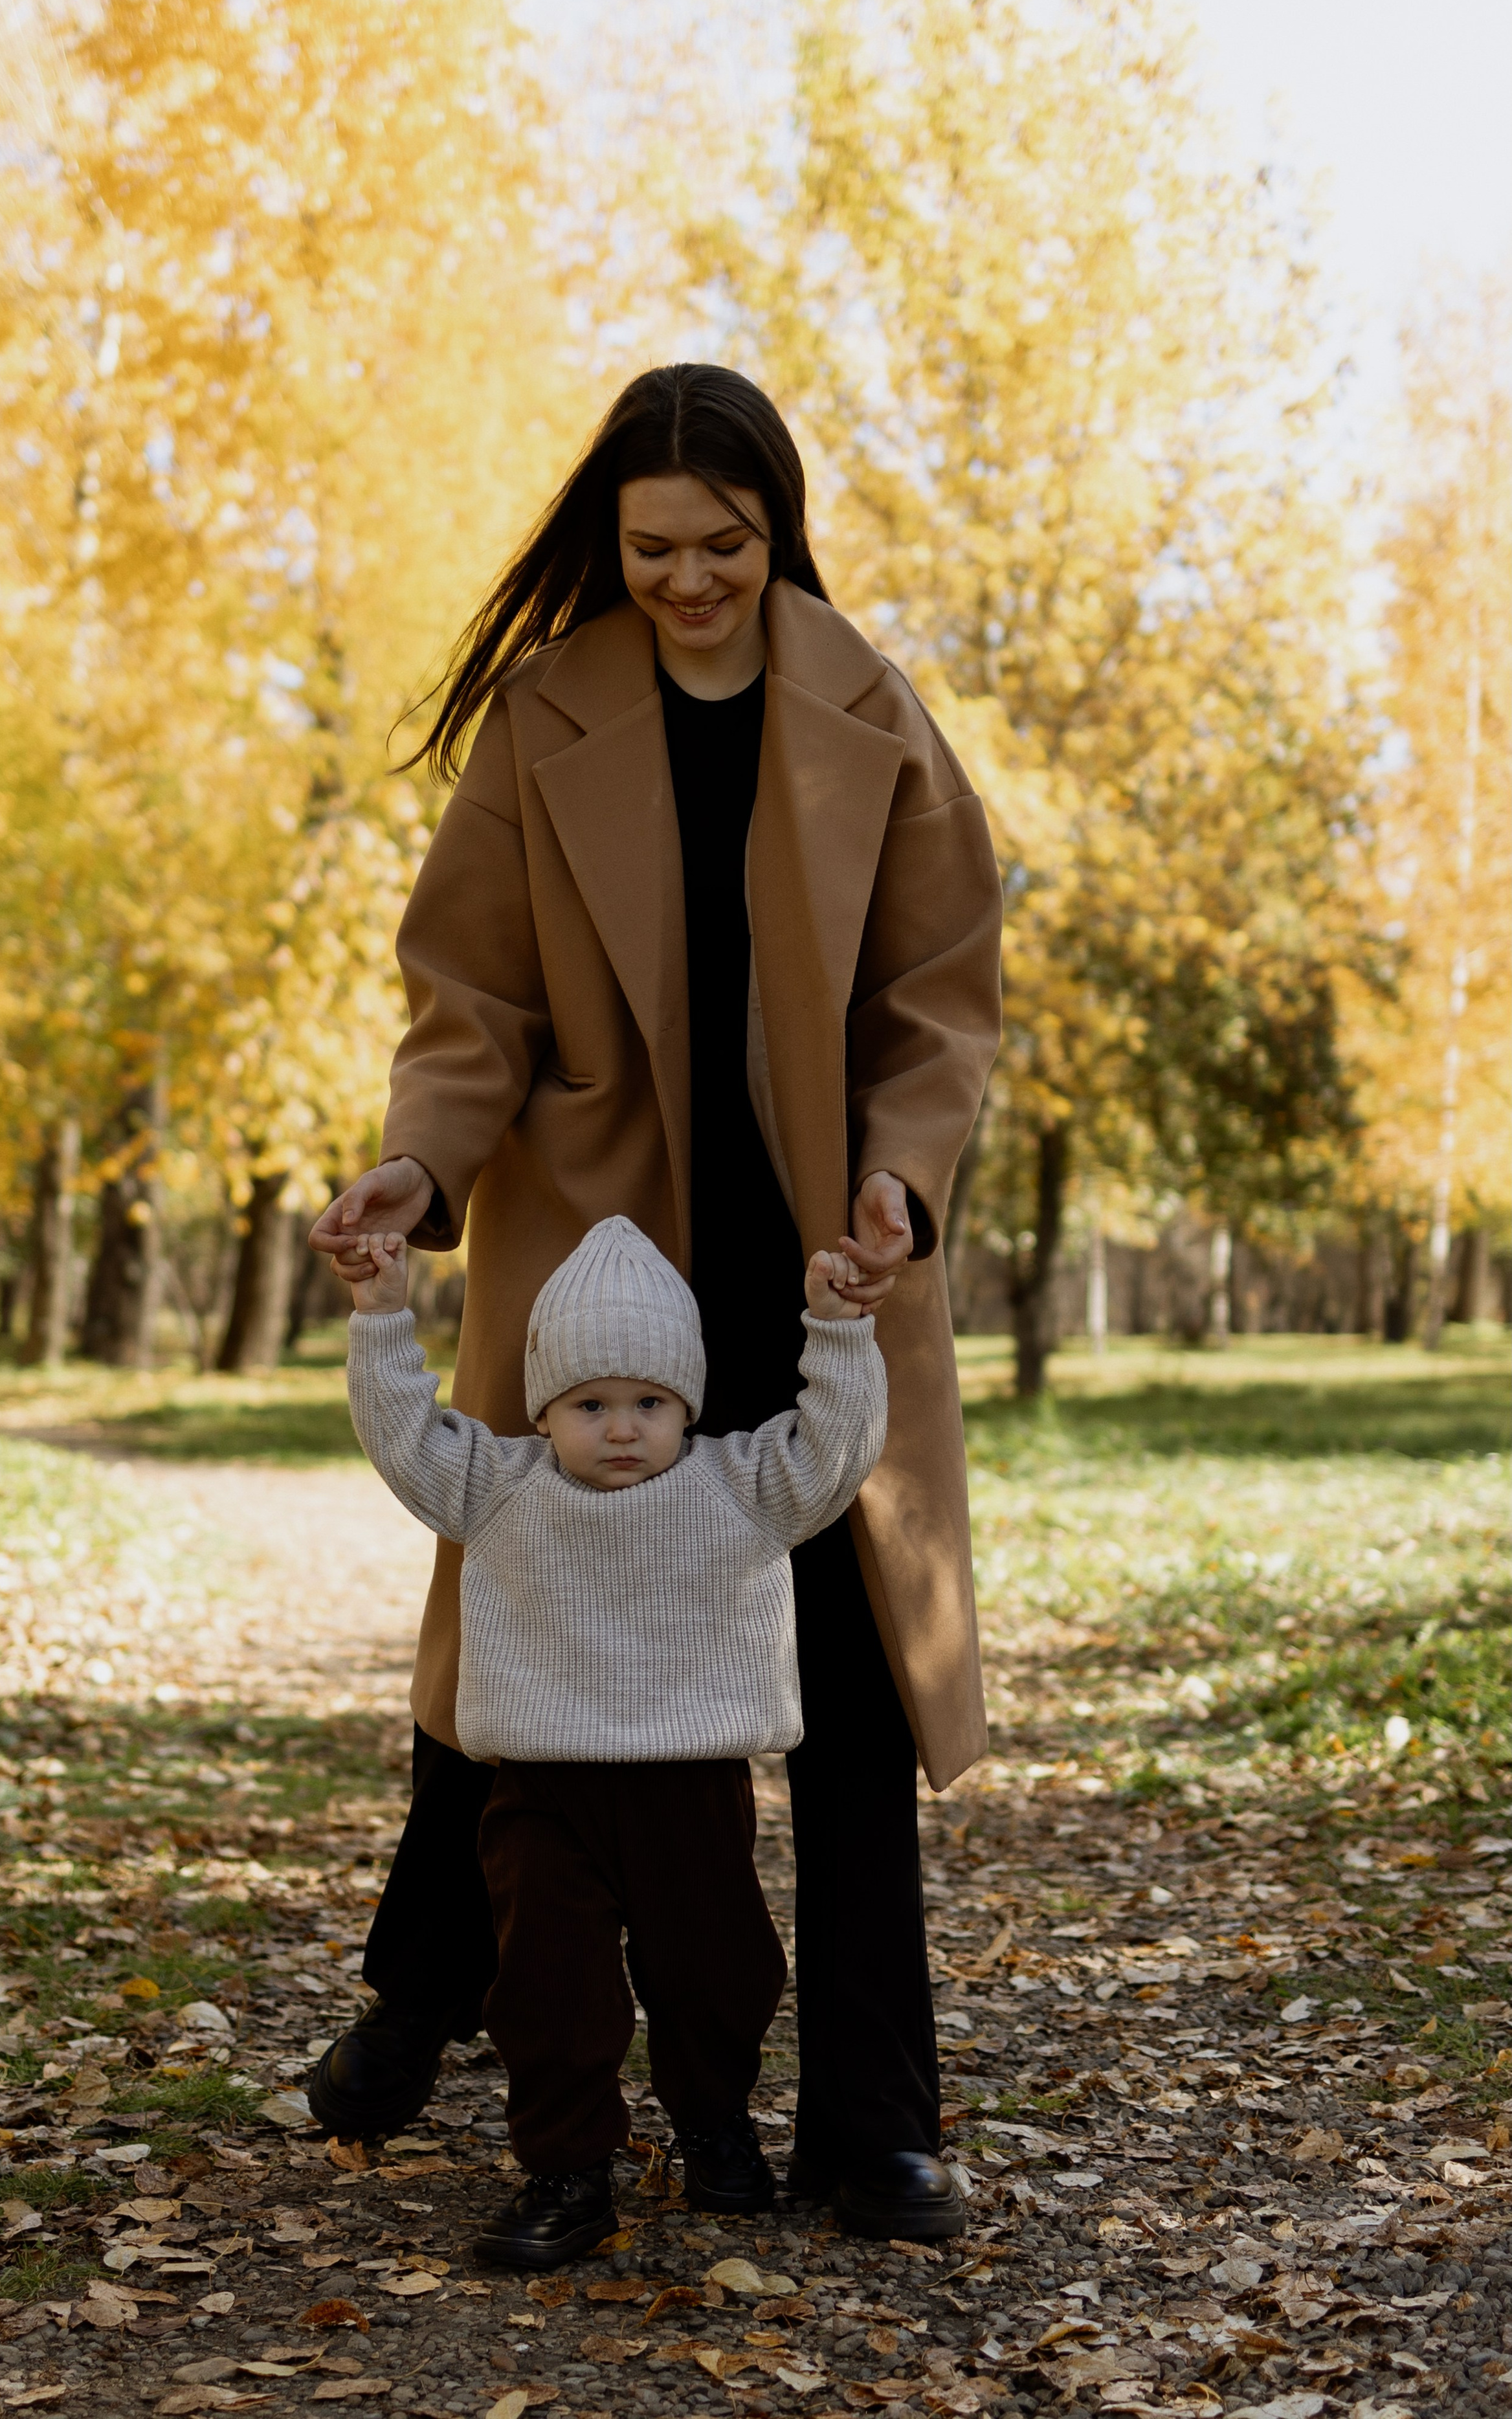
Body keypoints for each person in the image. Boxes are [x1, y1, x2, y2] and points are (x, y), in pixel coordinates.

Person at [307, 361, 1003, 2240]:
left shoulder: (871, 710)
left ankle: (882, 2120)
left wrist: (902, 1181)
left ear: (779, 527)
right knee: (533, 1661)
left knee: (847, 1690)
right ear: (604, 544)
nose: (688, 578)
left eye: (725, 543)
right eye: (650, 548)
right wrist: (419, 1170)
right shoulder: (546, 724)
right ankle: (418, 2000)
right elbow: (473, 1007)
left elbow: (942, 1001)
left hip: (824, 1255)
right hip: (605, 1260)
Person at [343, 1214, 887, 2267]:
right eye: (592, 1405)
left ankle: (716, 2130)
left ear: (688, 1403)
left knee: (721, 1976)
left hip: (694, 1792)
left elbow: (838, 1446)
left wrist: (839, 1331)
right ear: (545, 1410)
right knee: (548, 1993)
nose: (624, 1427)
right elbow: (403, 1436)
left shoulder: (741, 1484)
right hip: (545, 1796)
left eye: (651, 1403)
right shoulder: (498, 1486)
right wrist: (380, 1316)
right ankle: (566, 2171)